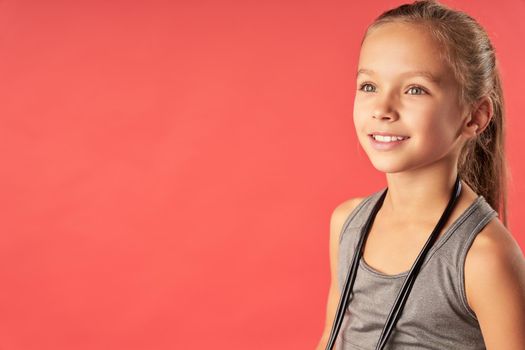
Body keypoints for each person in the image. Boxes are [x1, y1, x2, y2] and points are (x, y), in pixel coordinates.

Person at [316, 1, 525, 349]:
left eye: (415, 89)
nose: (383, 109)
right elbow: (332, 337)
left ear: (475, 116)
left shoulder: (483, 255)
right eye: (369, 86)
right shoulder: (347, 222)